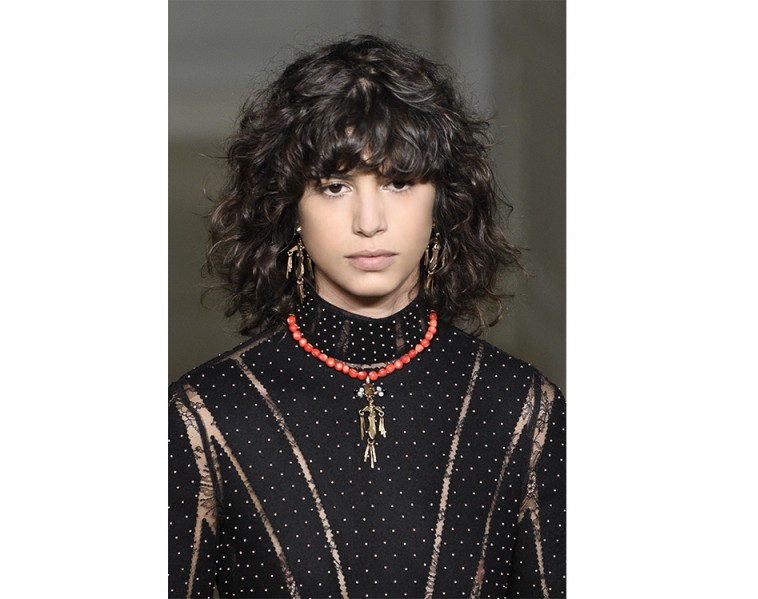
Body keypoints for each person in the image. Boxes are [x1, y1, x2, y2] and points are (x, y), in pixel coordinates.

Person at [169, 35, 565, 599]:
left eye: (399, 182)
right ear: (290, 206)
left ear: (441, 200)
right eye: (335, 186)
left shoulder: (520, 409)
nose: (370, 221)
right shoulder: (206, 415)